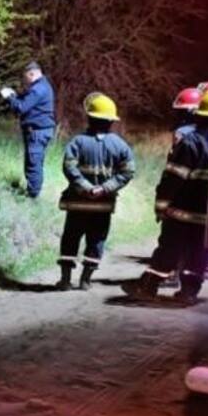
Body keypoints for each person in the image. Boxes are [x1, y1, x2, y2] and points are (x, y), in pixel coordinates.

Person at [121, 85, 208, 302]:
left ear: (199, 115)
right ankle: (189, 293)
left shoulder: (191, 142)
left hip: (181, 211)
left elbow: (173, 178)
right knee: (199, 255)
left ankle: (148, 287)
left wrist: (161, 205)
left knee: (169, 249)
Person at [56, 93, 136, 291]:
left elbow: (69, 167)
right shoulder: (120, 145)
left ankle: (65, 280)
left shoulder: (77, 142)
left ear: (89, 118)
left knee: (71, 238)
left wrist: (85, 187)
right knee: (97, 240)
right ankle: (86, 280)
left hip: (78, 203)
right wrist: (105, 188)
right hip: (103, 205)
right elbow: (128, 172)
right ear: (111, 121)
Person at [0, 61, 56, 198]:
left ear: (32, 74)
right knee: (35, 162)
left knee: (33, 163)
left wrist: (10, 97)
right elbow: (27, 101)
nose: (25, 80)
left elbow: (21, 108)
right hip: (41, 131)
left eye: (26, 77)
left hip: (37, 132)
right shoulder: (42, 86)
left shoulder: (38, 89)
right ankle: (33, 192)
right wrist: (16, 96)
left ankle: (32, 197)